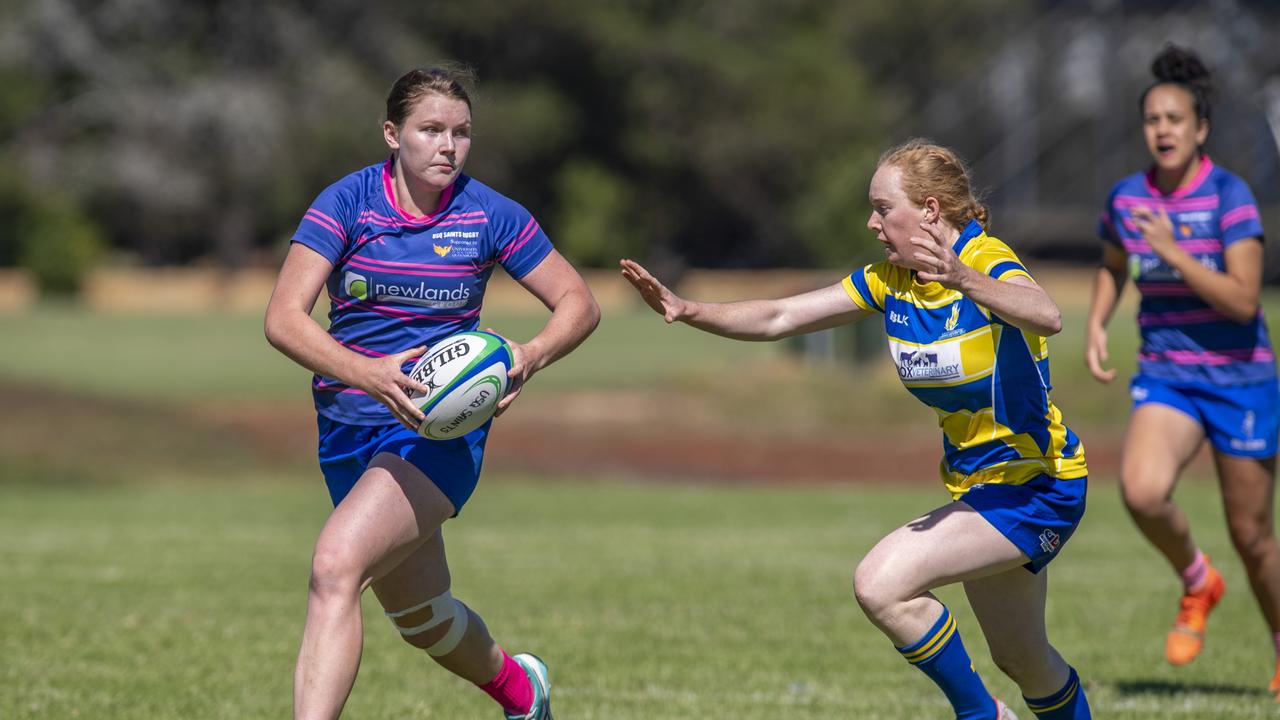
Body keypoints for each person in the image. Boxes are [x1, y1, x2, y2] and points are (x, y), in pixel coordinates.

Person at [622, 139, 1091, 719]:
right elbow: (781, 315)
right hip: (976, 489)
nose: (871, 222)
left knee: (881, 584)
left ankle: (981, 715)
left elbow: (1048, 314)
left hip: (1037, 484)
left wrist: (963, 276)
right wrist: (688, 309)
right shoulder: (890, 279)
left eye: (882, 207)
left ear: (929, 211)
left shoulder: (984, 256)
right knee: (1024, 661)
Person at [264, 65, 599, 720]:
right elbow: (282, 318)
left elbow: (578, 303)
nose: (448, 146)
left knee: (335, 567)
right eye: (431, 130)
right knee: (423, 618)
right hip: (348, 428)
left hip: (435, 433)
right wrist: (369, 374)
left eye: (462, 133)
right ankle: (521, 690)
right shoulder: (348, 203)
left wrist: (528, 357)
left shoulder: (489, 213)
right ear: (393, 134)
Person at [1086, 43, 1280, 690]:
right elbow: (1115, 264)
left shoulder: (1230, 197)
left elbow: (1244, 300)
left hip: (1241, 381)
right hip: (1169, 374)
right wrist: (1096, 321)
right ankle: (1198, 580)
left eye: (1175, 119)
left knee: (1252, 538)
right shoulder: (1126, 198)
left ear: (1201, 129)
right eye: (1152, 120)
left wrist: (1174, 251)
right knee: (1140, 492)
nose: (1162, 130)